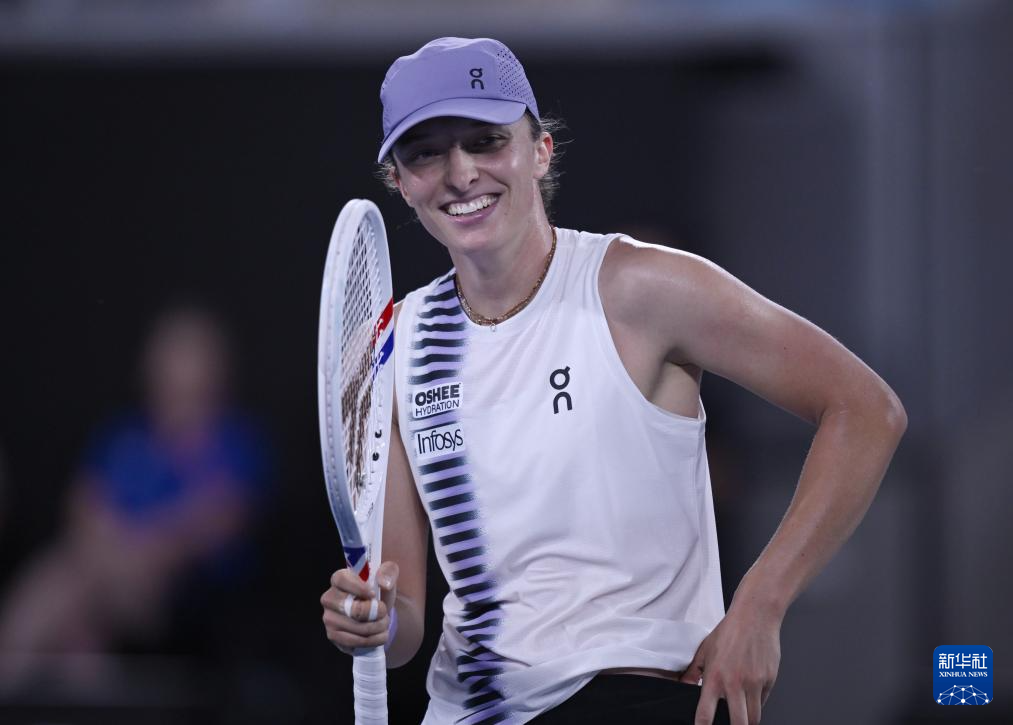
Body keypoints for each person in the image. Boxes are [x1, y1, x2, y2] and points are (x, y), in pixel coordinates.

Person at [320, 37, 906, 725]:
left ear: (539, 151)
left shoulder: (638, 286)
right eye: (426, 154)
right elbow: (404, 623)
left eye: (485, 142)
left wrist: (759, 605)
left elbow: (866, 410)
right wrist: (373, 619)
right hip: (470, 710)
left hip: (637, 697)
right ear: (398, 180)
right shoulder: (391, 346)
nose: (461, 173)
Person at [0, 305, 269, 688]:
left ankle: (8, 675)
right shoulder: (124, 437)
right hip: (107, 579)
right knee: (78, 620)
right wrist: (111, 557)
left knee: (67, 585)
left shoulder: (236, 442)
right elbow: (83, 508)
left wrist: (135, 555)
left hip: (180, 594)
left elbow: (216, 521)